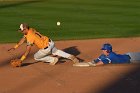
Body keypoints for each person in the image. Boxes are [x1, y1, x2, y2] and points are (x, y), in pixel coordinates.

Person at [8, 23, 79, 65]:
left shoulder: (30, 36)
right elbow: (23, 38)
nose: (21, 31)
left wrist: (22, 59)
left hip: (46, 49)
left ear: (25, 29)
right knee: (56, 51)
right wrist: (15, 47)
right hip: (51, 43)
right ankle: (71, 56)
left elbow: (28, 50)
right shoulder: (31, 29)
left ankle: (52, 60)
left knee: (36, 57)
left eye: (22, 30)